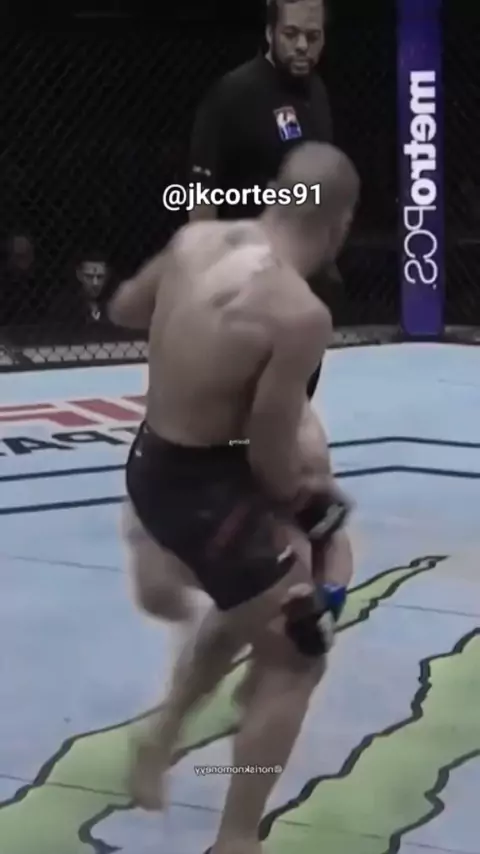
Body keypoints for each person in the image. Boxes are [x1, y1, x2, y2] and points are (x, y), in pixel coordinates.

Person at [109, 142, 359, 854]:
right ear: (339, 225)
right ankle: (237, 840)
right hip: (206, 489)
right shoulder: (300, 314)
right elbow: (270, 457)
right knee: (298, 654)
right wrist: (312, 503)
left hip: (153, 461)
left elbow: (125, 308)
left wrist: (195, 343)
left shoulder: (194, 240)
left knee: (254, 599)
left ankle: (161, 737)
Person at [189, 0, 339, 399]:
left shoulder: (318, 93)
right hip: (248, 270)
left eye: (313, 36)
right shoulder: (234, 94)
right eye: (292, 34)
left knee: (295, 390)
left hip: (303, 272)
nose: (303, 45)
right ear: (270, 33)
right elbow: (201, 190)